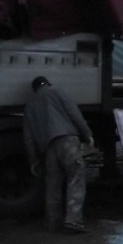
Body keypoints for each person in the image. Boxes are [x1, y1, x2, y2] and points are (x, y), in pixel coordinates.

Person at [23, 76, 93, 232]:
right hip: (67, 140)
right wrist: (87, 134)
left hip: (47, 147)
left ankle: (53, 222)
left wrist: (33, 159)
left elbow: (28, 136)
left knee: (53, 184)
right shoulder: (57, 92)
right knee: (75, 178)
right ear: (48, 83)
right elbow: (74, 115)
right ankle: (73, 221)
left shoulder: (29, 105)